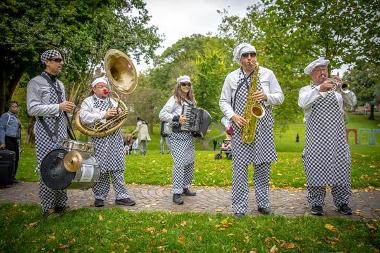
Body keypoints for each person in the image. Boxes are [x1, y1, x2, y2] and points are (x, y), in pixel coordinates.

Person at [219, 43, 284, 217]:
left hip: (263, 129)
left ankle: (263, 204)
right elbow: (223, 101)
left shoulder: (267, 74)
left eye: (252, 55)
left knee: (263, 168)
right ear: (239, 59)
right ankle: (239, 208)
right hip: (242, 128)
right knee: (240, 170)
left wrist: (266, 96)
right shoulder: (231, 77)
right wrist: (233, 116)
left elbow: (280, 97)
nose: (249, 58)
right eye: (245, 55)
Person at [298, 57, 357, 216]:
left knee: (341, 168)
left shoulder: (337, 91)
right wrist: (320, 89)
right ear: (312, 74)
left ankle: (342, 202)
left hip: (337, 139)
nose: (323, 73)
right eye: (318, 70)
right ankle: (316, 204)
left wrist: (343, 89)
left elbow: (352, 102)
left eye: (325, 69)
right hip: (316, 140)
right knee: (315, 169)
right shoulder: (306, 90)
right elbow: (303, 103)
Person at [27, 49, 75, 217]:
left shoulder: (60, 84)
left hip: (62, 132)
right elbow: (32, 109)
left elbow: (62, 109)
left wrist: (68, 111)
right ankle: (47, 208)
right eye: (57, 60)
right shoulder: (35, 82)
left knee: (64, 167)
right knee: (47, 167)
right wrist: (58, 107)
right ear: (47, 62)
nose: (61, 63)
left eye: (61, 60)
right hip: (45, 133)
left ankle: (61, 204)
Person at [79, 76, 136, 208]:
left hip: (115, 138)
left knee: (117, 168)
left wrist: (119, 112)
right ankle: (99, 197)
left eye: (105, 86)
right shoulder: (88, 102)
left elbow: (120, 115)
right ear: (93, 89)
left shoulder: (113, 101)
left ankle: (122, 196)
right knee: (101, 169)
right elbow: (84, 117)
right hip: (98, 139)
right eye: (100, 86)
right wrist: (104, 115)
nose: (104, 88)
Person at [159, 75, 197, 205]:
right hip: (176, 136)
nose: (186, 86)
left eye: (188, 84)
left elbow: (193, 119)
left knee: (189, 162)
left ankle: (185, 187)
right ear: (179, 86)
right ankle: (176, 192)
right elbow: (162, 114)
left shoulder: (191, 101)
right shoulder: (174, 99)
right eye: (183, 84)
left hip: (188, 136)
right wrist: (176, 118)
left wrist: (199, 128)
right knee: (180, 164)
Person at [0, 100, 22, 183]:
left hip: (15, 140)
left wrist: (19, 144)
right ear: (9, 107)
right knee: (9, 159)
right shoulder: (6, 116)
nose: (15, 108)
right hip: (7, 139)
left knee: (16, 158)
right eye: (13, 106)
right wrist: (2, 142)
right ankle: (8, 178)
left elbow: (18, 132)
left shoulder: (16, 117)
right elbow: (1, 128)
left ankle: (13, 177)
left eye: (16, 106)